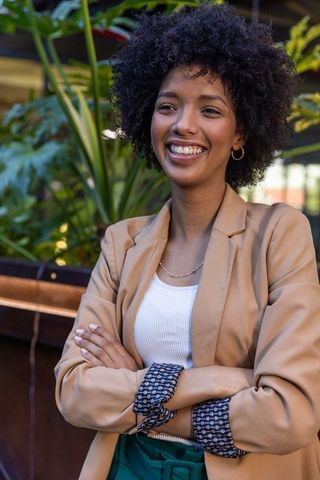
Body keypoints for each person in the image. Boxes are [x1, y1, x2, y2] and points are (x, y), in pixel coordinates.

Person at [55, 4, 320, 480]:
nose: (183, 125)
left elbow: (290, 412)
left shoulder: (280, 234)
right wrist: (223, 380)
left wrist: (139, 386)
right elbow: (75, 391)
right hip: (126, 467)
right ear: (148, 119)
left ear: (240, 133)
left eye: (211, 109)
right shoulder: (122, 243)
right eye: (168, 105)